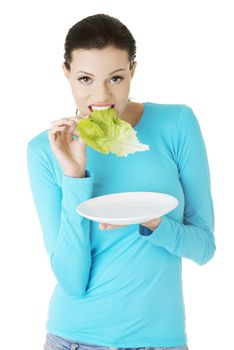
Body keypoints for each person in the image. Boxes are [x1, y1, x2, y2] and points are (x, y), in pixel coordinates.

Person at [27, 13, 216, 350]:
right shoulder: (46, 150)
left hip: (162, 341)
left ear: (133, 70)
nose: (101, 95)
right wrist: (75, 176)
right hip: (74, 340)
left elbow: (203, 247)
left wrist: (154, 223)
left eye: (115, 78)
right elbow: (72, 280)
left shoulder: (177, 124)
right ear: (66, 73)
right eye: (85, 78)